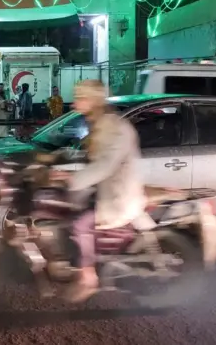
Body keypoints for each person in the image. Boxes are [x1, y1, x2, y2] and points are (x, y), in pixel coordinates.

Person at [62, 79, 145, 303]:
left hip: (118, 195)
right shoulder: (97, 122)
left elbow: (105, 164)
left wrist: (73, 180)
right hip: (102, 189)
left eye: (80, 98)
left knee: (79, 224)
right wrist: (53, 159)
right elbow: (86, 151)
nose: (74, 103)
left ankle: (88, 276)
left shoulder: (114, 127)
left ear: (93, 100)